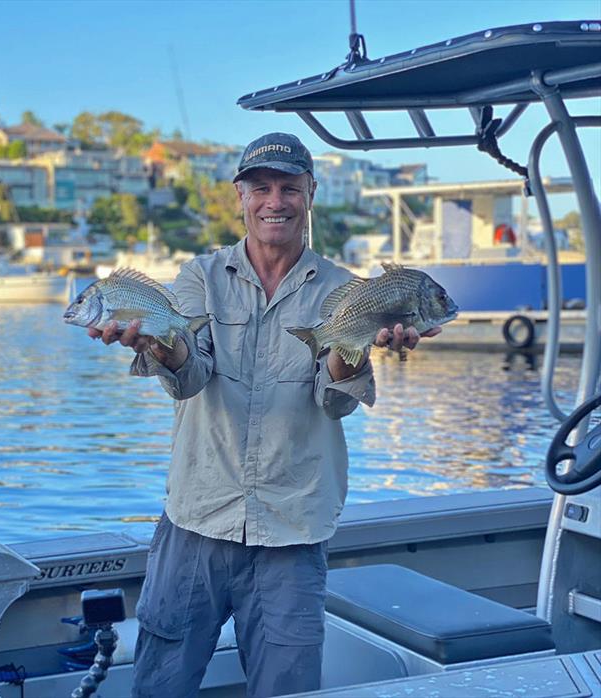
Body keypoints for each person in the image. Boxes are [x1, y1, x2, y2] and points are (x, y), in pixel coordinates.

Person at [88, 132, 441, 698]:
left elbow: (333, 401)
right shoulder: (199, 277)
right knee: (159, 687)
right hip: (197, 519)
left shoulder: (344, 292)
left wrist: (354, 349)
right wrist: (156, 345)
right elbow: (189, 378)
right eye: (261, 188)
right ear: (240, 197)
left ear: (310, 194)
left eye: (289, 188)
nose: (274, 200)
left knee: (289, 689)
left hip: (293, 529)